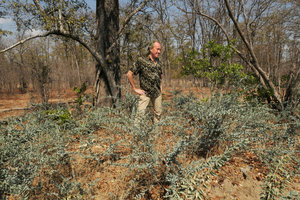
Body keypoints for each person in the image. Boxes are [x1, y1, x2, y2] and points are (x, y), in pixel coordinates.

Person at [126, 41, 163, 125]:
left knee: (158, 114)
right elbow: (129, 74)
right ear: (150, 49)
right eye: (157, 49)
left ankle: (156, 135)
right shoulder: (141, 60)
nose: (159, 52)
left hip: (157, 93)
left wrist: (161, 86)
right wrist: (134, 88)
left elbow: (161, 74)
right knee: (140, 115)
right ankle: (136, 135)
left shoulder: (159, 62)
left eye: (160, 50)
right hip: (145, 93)